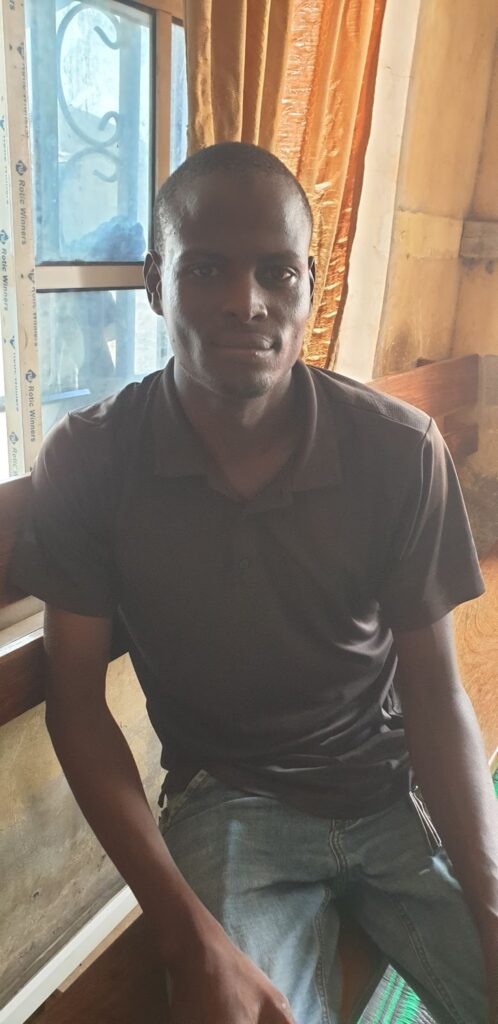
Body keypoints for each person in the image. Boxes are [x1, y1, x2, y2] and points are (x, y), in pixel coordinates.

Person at [10, 143, 498, 1024]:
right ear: (156, 282)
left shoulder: (396, 450)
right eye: (206, 269)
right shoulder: (92, 459)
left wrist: (490, 896)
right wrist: (182, 930)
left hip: (389, 786)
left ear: (312, 284)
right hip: (228, 799)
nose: (247, 303)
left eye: (278, 270)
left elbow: (435, 691)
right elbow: (76, 706)